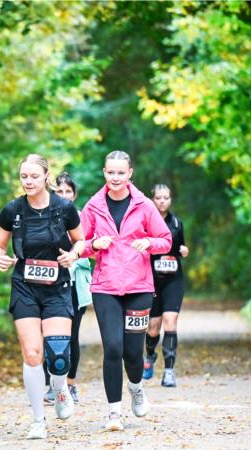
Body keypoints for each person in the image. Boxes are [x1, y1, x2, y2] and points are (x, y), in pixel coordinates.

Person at [0, 154, 85, 439]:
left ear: (46, 177)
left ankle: (60, 389)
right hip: (25, 285)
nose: (29, 181)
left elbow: (80, 240)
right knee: (32, 354)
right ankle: (37, 420)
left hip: (57, 284)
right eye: (24, 177)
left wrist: (74, 255)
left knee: (58, 355)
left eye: (34, 176)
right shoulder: (12, 211)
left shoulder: (64, 208)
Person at [79, 151, 172, 431]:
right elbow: (78, 245)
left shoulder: (144, 205)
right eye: (110, 173)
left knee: (133, 353)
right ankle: (113, 413)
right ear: (104, 173)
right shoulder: (93, 206)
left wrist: (149, 244)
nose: (115, 178)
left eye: (121, 173)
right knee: (113, 348)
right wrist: (94, 245)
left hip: (139, 288)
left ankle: (136, 387)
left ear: (130, 173)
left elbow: (165, 240)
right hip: (105, 287)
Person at [43, 172, 92, 406]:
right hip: (49, 284)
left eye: (68, 192)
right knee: (50, 335)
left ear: (74, 195)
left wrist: (73, 258)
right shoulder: (44, 217)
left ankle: (70, 385)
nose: (64, 195)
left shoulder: (82, 218)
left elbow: (90, 250)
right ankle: (52, 385)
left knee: (71, 336)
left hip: (74, 285)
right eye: (59, 191)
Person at [143, 184, 189, 387]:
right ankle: (150, 356)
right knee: (153, 328)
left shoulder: (177, 223)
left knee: (170, 322)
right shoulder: (146, 223)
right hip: (152, 280)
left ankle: (169, 371)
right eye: (159, 198)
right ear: (153, 199)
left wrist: (183, 250)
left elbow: (181, 247)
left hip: (173, 279)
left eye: (166, 197)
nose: (162, 201)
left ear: (170, 200)